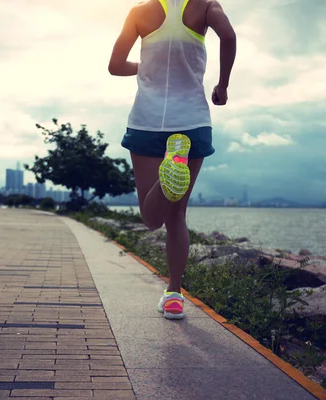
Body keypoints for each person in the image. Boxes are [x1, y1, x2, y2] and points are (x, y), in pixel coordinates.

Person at [108, 0, 236, 319]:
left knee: (152, 219)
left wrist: (148, 65)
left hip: (147, 120)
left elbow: (115, 65)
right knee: (176, 216)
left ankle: (169, 179)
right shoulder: (206, 6)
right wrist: (223, 85)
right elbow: (229, 36)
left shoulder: (139, 13)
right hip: (191, 122)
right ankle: (175, 293)